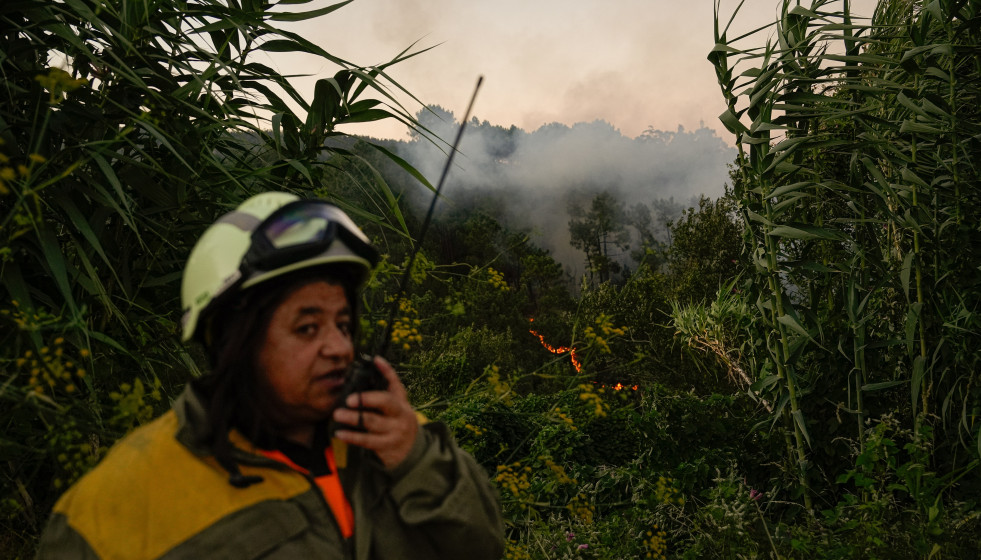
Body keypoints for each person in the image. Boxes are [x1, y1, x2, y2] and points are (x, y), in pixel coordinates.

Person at [37, 192, 505, 559]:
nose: (341, 347)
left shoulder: (391, 435)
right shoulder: (114, 508)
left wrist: (417, 458)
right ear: (232, 340)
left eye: (343, 324)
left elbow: (483, 548)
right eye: (307, 327)